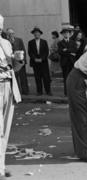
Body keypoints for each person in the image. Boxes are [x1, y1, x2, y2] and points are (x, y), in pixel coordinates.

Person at [0, 14, 23, 180]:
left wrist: (17, 61)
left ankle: (1, 166)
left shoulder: (6, 43)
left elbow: (14, 68)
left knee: (4, 131)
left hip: (9, 85)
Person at [28, 26, 51, 96]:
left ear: (40, 34)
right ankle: (39, 91)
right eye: (35, 33)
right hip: (35, 63)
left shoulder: (44, 42)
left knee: (46, 77)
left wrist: (42, 59)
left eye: (38, 33)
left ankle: (48, 91)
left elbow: (46, 52)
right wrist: (35, 58)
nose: (36, 34)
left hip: (43, 62)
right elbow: (30, 52)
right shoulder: (30, 42)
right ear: (33, 34)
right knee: (37, 77)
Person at [6, 28, 29, 95]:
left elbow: (23, 50)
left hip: (20, 62)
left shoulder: (19, 40)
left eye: (12, 33)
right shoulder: (6, 41)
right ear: (7, 34)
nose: (11, 35)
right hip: (12, 63)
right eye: (9, 34)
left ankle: (25, 91)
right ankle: (17, 92)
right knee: (15, 78)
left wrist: (24, 60)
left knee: (23, 77)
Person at [58, 27, 77, 96]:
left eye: (67, 33)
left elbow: (75, 50)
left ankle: (72, 91)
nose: (66, 34)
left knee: (72, 78)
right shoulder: (60, 43)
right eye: (64, 33)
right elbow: (60, 52)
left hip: (72, 62)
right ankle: (66, 92)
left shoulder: (73, 42)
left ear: (69, 34)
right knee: (66, 78)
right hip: (64, 62)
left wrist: (66, 50)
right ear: (62, 34)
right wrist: (70, 52)